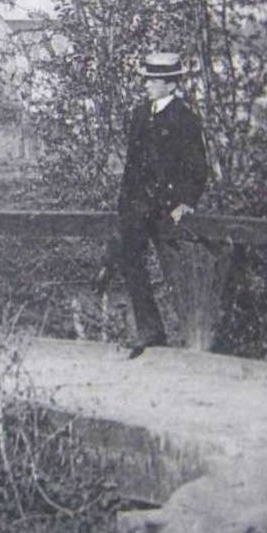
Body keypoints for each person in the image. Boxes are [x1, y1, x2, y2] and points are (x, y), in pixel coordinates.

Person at [117, 52, 207, 359]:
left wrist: (186, 203)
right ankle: (150, 328)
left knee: (178, 272)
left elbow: (197, 169)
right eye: (146, 79)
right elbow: (132, 165)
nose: (147, 85)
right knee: (130, 261)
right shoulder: (141, 114)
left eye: (153, 80)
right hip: (138, 206)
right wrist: (124, 203)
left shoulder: (185, 118)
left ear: (170, 84)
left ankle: (193, 339)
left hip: (168, 208)